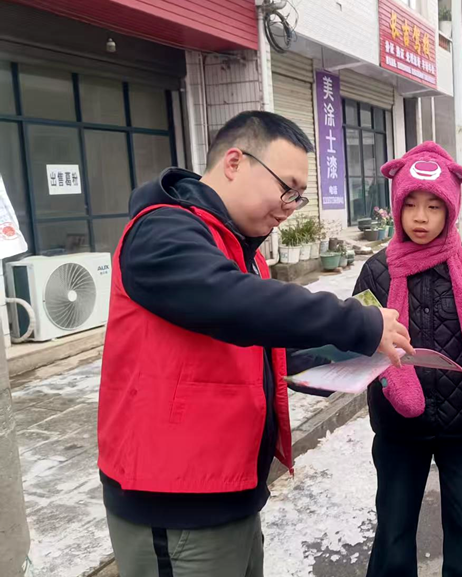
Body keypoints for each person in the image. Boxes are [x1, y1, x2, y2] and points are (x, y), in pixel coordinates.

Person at [97, 111, 414, 577]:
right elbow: (229, 303)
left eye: (299, 195)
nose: (290, 204)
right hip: (174, 501)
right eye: (286, 186)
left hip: (229, 489)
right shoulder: (162, 230)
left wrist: (350, 361)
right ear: (233, 163)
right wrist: (354, 322)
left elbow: (258, 348)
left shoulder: (239, 250)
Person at [354, 141, 462, 577]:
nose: (421, 217)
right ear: (397, 206)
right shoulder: (377, 270)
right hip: (398, 426)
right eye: (410, 204)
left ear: (451, 208)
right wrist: (379, 371)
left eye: (433, 205)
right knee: (393, 530)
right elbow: (358, 337)